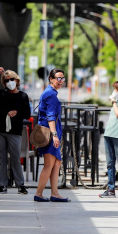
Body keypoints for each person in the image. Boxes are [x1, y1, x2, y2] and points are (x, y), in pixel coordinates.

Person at [0, 67, 30, 194]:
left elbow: (27, 113)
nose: (10, 82)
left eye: (12, 79)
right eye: (7, 80)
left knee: (15, 158)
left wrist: (17, 112)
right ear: (4, 83)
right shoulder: (2, 94)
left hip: (14, 131)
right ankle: (3, 185)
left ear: (17, 80)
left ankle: (20, 185)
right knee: (1, 158)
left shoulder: (23, 96)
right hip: (0, 129)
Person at [34, 68, 70, 202]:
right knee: (49, 164)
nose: (60, 81)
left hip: (52, 132)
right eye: (58, 78)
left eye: (62, 78)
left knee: (57, 162)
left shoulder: (50, 93)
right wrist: (54, 135)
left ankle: (55, 193)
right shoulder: (50, 94)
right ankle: (39, 194)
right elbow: (50, 116)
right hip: (49, 133)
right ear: (51, 79)